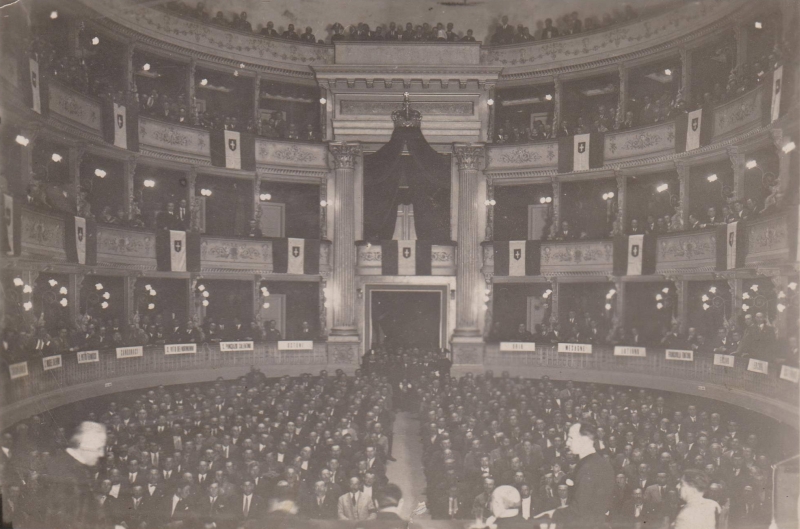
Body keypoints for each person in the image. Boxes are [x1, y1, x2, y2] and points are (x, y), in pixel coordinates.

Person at [42, 422, 107, 529]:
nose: (102, 454)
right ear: (85, 444)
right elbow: (63, 521)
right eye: (99, 448)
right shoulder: (65, 471)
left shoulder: (79, 467)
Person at [559, 420, 615, 529]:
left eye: (571, 438)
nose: (567, 443)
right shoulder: (599, 462)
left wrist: (552, 515)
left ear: (584, 440)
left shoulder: (588, 467)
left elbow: (579, 509)